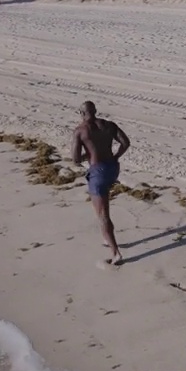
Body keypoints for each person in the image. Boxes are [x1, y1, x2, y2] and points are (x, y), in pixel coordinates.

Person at [71, 101, 130, 266]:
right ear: (95, 111)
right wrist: (116, 156)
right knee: (104, 205)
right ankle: (106, 237)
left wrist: (87, 155)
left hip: (98, 171)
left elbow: (75, 159)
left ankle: (115, 253)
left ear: (81, 113)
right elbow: (125, 143)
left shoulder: (80, 131)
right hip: (113, 168)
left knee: (103, 215)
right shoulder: (109, 125)